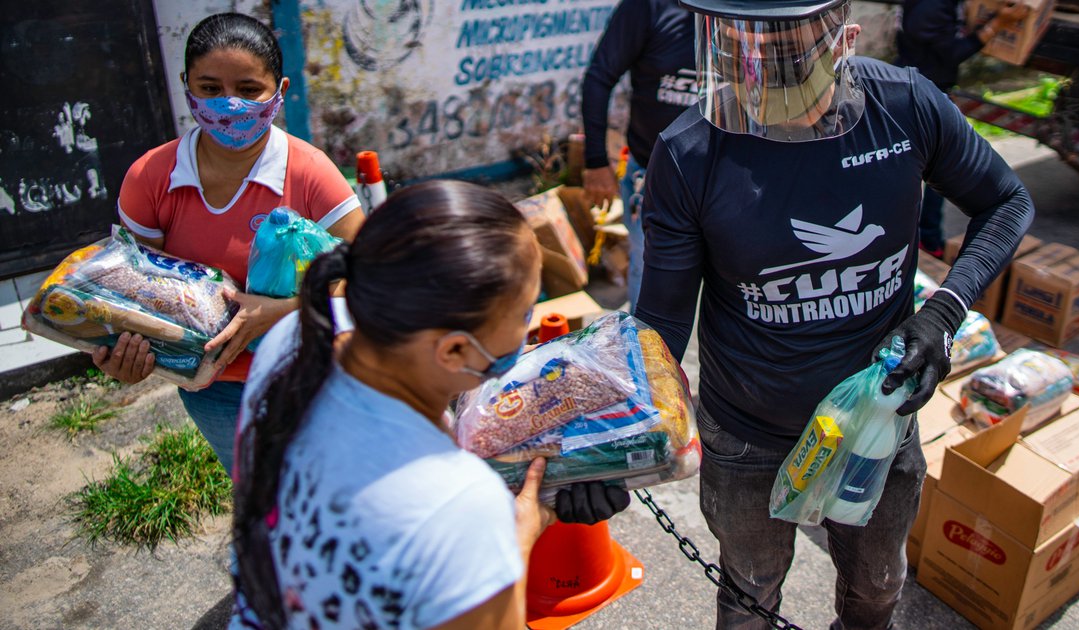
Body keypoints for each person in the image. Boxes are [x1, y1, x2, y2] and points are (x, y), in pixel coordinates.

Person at [634, 1, 1034, 628]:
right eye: (745, 65)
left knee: (876, 589)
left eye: (789, 71)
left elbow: (1006, 202)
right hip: (747, 436)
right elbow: (659, 326)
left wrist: (942, 314)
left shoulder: (904, 106)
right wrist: (613, 437)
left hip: (877, 423)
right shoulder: (690, 152)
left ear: (844, 42)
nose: (764, 95)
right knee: (749, 593)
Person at [230, 180, 628, 628]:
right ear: (455, 351)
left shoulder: (294, 340)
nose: (529, 328)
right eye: (523, 313)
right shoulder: (463, 508)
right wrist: (518, 539)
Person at [91, 12, 365, 474]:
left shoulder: (311, 173)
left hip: (314, 376)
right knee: (260, 499)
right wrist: (126, 352)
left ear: (279, 91)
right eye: (211, 88)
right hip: (217, 391)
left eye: (248, 89)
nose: (229, 104)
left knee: (333, 493)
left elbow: (368, 276)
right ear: (187, 86)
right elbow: (133, 289)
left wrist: (285, 311)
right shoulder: (151, 179)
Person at [582, 0, 697, 311]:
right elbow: (599, 77)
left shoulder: (743, 9)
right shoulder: (649, 6)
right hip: (651, 178)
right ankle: (643, 357)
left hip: (725, 180)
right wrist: (595, 162)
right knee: (648, 276)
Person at [895, 0, 1030, 257]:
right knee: (936, 164)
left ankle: (924, 238)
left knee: (930, 163)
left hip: (927, 86)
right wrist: (997, 24)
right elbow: (952, 53)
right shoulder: (933, 6)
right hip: (921, 92)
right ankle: (924, 239)